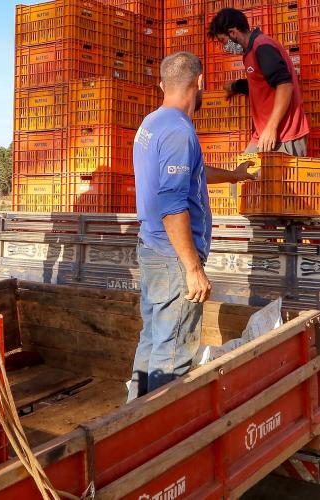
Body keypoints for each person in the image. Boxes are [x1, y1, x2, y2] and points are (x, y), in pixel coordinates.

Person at [128, 52, 255, 402]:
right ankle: (162, 439)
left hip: (154, 249)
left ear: (161, 85)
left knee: (154, 338)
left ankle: (130, 422)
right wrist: (192, 268)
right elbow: (172, 206)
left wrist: (235, 175)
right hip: (172, 257)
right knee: (173, 351)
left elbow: (192, 175)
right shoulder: (177, 132)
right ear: (199, 82)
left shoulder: (152, 123)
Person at [208, 8, 310, 155]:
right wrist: (236, 87)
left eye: (223, 41)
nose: (225, 47)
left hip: (284, 135)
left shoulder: (262, 47)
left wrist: (271, 127)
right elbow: (262, 84)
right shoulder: (250, 52)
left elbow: (285, 85)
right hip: (263, 134)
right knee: (244, 173)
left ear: (233, 33)